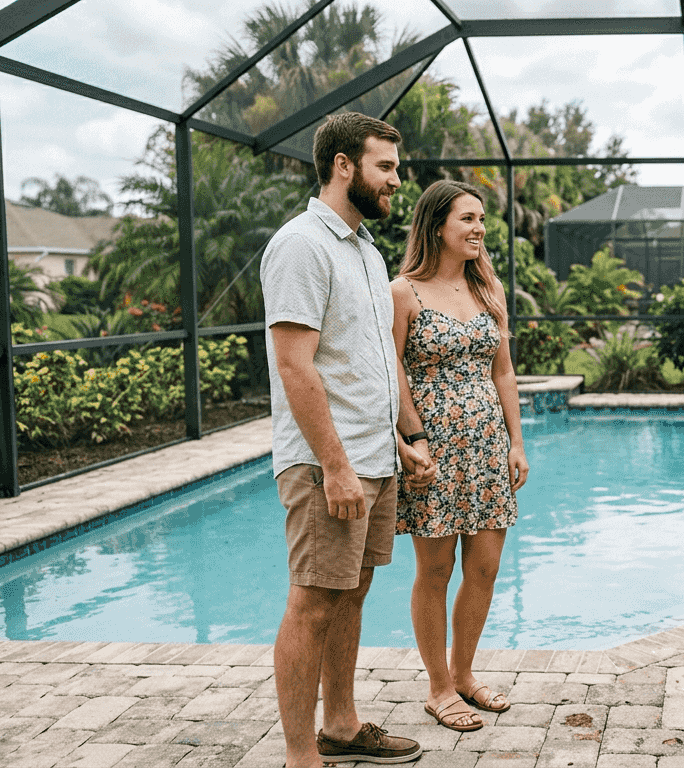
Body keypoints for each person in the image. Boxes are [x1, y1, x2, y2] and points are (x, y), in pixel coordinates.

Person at [262, 112, 428, 768]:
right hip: (327, 462)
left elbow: (364, 361)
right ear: (342, 165)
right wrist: (334, 465)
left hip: (373, 456)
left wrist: (396, 442)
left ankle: (341, 724)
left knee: (350, 595)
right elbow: (295, 366)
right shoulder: (302, 244)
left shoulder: (364, 249)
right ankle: (302, 757)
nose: (395, 182)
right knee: (312, 601)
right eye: (385, 167)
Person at [390, 180, 528, 732]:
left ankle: (465, 673)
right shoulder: (403, 292)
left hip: (488, 448)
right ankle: (439, 687)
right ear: (437, 226)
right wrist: (412, 438)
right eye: (467, 219)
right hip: (433, 451)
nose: (478, 229)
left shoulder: (487, 291)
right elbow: (392, 369)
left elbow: (504, 371)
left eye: (482, 221)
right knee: (436, 569)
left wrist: (516, 442)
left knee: (486, 568)